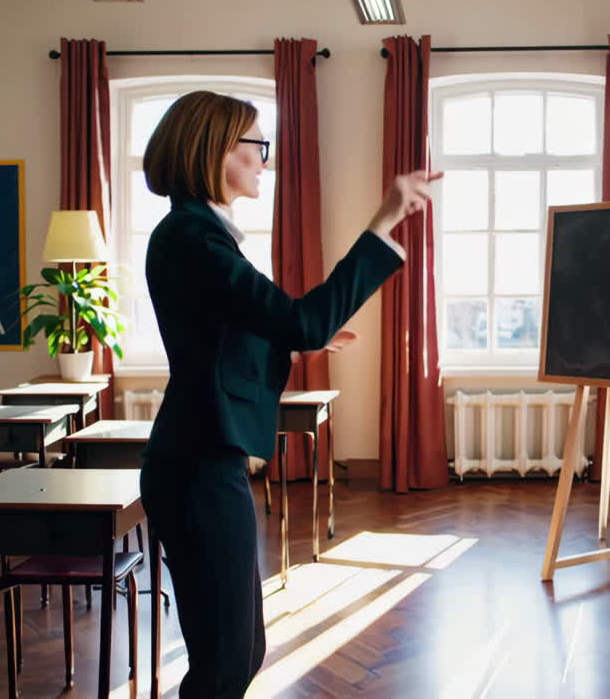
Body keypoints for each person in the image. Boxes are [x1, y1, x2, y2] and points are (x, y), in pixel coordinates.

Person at [138, 89, 441, 698]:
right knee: (225, 664)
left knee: (241, 653)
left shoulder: (199, 235)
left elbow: (224, 337)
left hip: (203, 461)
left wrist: (299, 344)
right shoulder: (193, 237)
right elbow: (300, 318)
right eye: (257, 147)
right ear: (217, 150)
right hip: (196, 467)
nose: (264, 161)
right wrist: (382, 222)